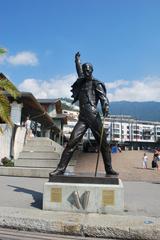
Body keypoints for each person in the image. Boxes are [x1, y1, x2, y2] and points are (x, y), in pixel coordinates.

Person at [49, 52, 118, 176]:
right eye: (84, 70)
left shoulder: (96, 83)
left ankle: (109, 169)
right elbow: (79, 71)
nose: (85, 72)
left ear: (91, 71)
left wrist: (105, 106)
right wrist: (77, 61)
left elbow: (103, 97)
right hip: (82, 117)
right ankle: (61, 169)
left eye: (88, 70)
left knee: (103, 144)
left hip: (94, 116)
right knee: (71, 142)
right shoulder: (81, 81)